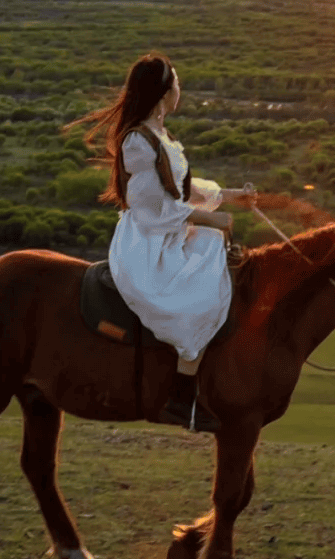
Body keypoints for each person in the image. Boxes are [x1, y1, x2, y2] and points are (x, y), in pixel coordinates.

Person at [75, 53, 255, 429]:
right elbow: (151, 208)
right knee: (198, 298)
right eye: (177, 84)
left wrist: (231, 195)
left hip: (167, 231)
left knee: (214, 261)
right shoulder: (137, 142)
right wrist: (210, 218)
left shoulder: (161, 136)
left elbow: (181, 188)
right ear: (163, 93)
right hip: (147, 243)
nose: (180, 91)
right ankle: (180, 396)